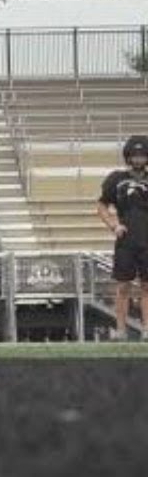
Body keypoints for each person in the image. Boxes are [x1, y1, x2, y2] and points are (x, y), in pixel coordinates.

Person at [96, 135, 148, 340]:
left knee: (147, 286)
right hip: (126, 241)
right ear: (128, 156)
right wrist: (114, 225)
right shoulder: (116, 179)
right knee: (123, 285)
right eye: (135, 155)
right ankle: (121, 330)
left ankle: (147, 330)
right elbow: (101, 205)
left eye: (142, 154)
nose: (138, 159)